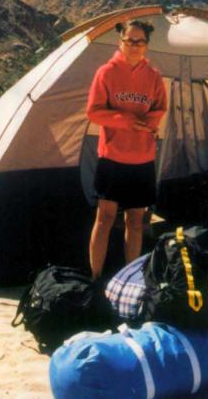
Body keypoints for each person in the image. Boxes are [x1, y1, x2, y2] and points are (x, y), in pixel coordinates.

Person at [86, 19, 167, 279]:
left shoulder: (153, 76)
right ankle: (96, 279)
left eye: (139, 42)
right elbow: (94, 111)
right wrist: (127, 121)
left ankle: (129, 278)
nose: (133, 46)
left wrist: (147, 124)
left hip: (142, 159)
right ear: (120, 42)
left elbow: (160, 108)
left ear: (146, 46)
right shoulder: (106, 73)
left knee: (135, 222)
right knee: (105, 220)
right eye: (128, 41)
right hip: (112, 158)